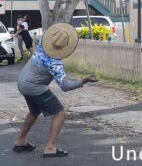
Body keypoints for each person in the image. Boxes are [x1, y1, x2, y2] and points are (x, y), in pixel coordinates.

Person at [13, 22, 98, 158]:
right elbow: (65, 86)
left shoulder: (42, 44)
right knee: (59, 112)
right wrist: (84, 80)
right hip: (34, 87)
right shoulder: (54, 63)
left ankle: (20, 141)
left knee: (34, 111)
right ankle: (50, 147)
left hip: (23, 81)